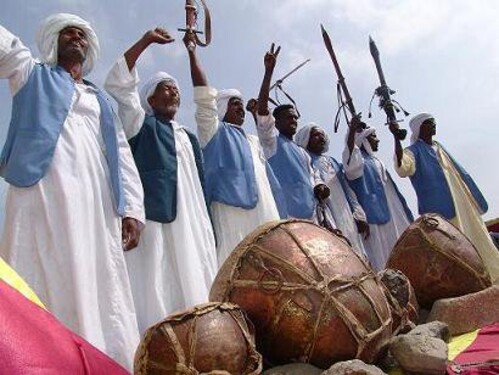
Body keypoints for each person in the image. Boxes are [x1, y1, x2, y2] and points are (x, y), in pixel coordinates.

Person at [0, 14, 144, 369]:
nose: (76, 37)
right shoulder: (30, 73)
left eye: (82, 34)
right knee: (41, 272)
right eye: (68, 33)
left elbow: (121, 155)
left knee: (101, 282)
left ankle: (104, 361)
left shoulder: (101, 101)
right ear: (54, 41)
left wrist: (133, 211)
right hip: (42, 192)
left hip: (98, 201)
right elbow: (6, 45)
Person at [105, 28, 218, 333]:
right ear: (150, 99)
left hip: (193, 221)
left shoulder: (188, 138)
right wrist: (144, 42)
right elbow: (119, 83)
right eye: (165, 88)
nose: (173, 92)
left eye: (176, 88)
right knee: (156, 278)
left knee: (197, 273)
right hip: (155, 218)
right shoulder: (139, 123)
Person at [184, 31, 281, 266]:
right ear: (222, 108)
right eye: (234, 103)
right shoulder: (212, 131)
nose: (239, 108)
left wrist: (267, 74)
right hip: (230, 213)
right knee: (235, 269)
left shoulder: (254, 141)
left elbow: (265, 119)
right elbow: (204, 96)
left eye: (241, 104)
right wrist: (192, 51)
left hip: (265, 211)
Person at [391, 113, 499, 283]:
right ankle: (473, 282)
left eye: (434, 122)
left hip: (462, 202)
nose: (434, 125)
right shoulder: (413, 152)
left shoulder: (439, 147)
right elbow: (402, 168)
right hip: (441, 208)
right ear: (420, 128)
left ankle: (494, 275)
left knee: (478, 237)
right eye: (429, 123)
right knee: (458, 247)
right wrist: (396, 139)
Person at [256, 44, 329, 221]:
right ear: (277, 122)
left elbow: (314, 177)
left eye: (295, 118)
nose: (294, 121)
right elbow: (263, 111)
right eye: (289, 118)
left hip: (312, 217)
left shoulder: (303, 153)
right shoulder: (270, 142)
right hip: (284, 216)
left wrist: (320, 186)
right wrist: (268, 73)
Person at [342, 121, 413, 271]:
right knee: (378, 262)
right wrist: (351, 133)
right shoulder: (357, 160)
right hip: (370, 220)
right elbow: (350, 163)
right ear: (363, 140)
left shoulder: (377, 162)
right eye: (373, 137)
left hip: (388, 217)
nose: (378, 140)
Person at [295, 123, 369, 258]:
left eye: (322, 135)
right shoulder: (305, 160)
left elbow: (348, 190)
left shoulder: (332, 161)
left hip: (344, 212)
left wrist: (359, 215)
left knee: (354, 249)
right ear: (305, 139)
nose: (321, 138)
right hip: (323, 212)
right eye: (315, 135)